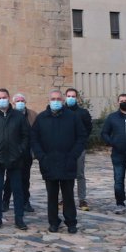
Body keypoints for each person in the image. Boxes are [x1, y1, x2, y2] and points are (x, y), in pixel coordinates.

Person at [30, 90, 87, 233]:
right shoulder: (41, 118)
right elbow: (34, 139)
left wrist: (73, 155)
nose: (56, 101)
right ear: (49, 100)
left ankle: (71, 222)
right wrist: (41, 156)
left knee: (68, 195)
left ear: (63, 101)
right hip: (49, 163)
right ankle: (53, 222)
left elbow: (81, 137)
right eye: (53, 99)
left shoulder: (72, 117)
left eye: (58, 99)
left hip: (68, 162)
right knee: (52, 196)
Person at [0, 88, 30, 230]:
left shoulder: (18, 116)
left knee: (17, 189)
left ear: (9, 98)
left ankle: (19, 218)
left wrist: (20, 151)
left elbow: (25, 135)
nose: (2, 99)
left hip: (16, 159)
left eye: (4, 97)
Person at [2, 93, 37, 213]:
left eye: (22, 100)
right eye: (18, 101)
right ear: (13, 103)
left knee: (25, 178)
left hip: (26, 152)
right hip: (12, 152)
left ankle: (25, 202)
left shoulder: (32, 115)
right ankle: (5, 201)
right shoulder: (9, 115)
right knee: (10, 178)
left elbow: (36, 132)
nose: (20, 102)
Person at [64, 88, 92, 211]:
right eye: (68, 96)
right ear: (65, 97)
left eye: (73, 96)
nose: (70, 98)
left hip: (79, 148)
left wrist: (80, 142)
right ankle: (64, 198)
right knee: (63, 174)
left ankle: (82, 199)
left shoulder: (83, 113)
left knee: (80, 174)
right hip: (63, 148)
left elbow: (88, 129)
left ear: (77, 98)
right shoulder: (61, 111)